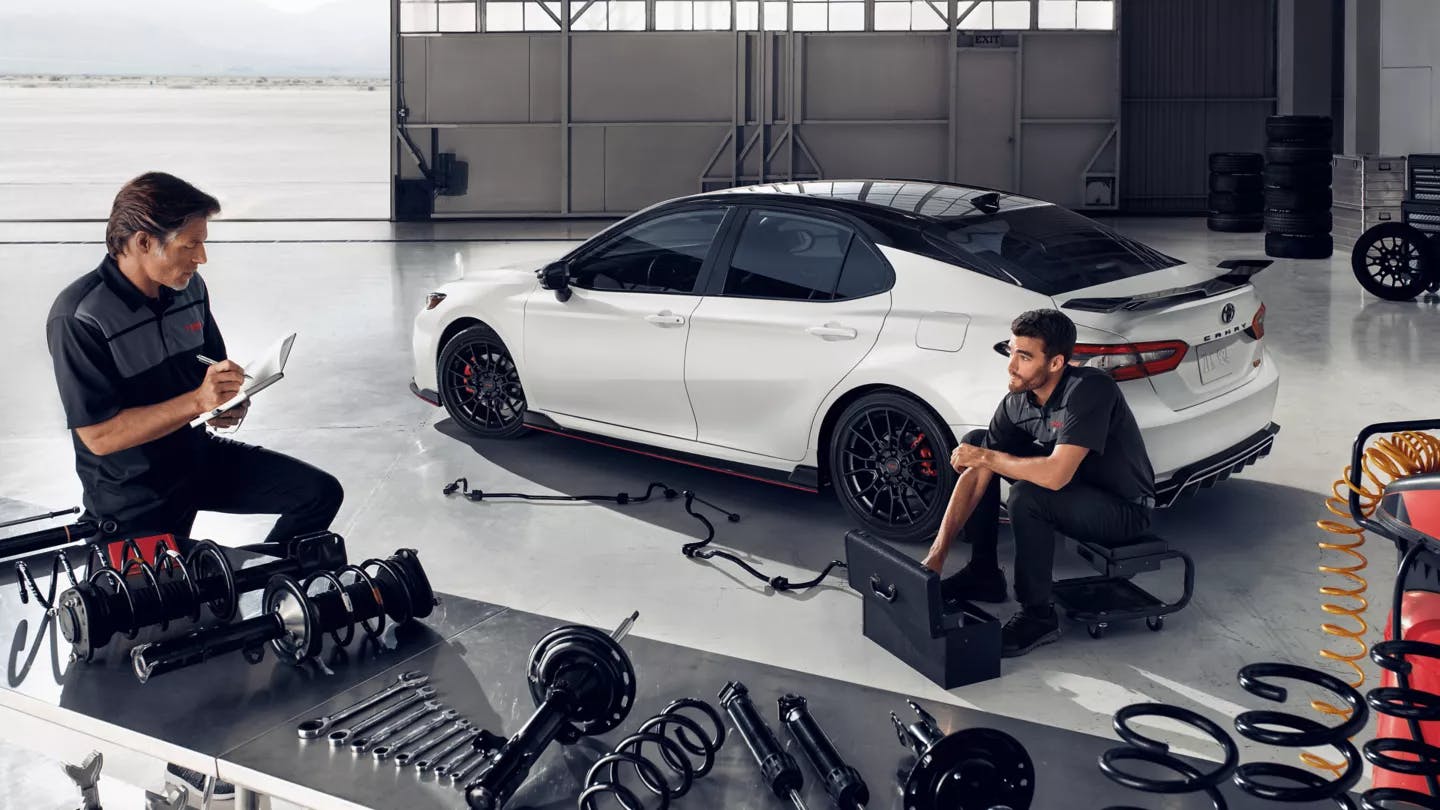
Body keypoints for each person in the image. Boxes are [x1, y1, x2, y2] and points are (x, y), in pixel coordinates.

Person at [46, 171, 343, 548]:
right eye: (190, 246)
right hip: (133, 495)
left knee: (319, 493)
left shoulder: (189, 289)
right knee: (165, 602)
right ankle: (223, 578)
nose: (201, 258)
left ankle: (251, 572)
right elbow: (100, 437)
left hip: (197, 459)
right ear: (143, 242)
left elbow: (210, 373)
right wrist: (197, 402)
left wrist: (228, 401)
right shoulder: (79, 317)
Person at [922, 309, 1156, 658]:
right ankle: (983, 573)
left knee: (1028, 494)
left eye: (1025, 356)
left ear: (1056, 362)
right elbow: (978, 469)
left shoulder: (1090, 390)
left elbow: (1055, 475)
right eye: (1012, 351)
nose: (1011, 366)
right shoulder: (1018, 401)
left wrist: (985, 457)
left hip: (1123, 509)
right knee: (979, 440)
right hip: (1075, 491)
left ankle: (1039, 615)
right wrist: (936, 556)